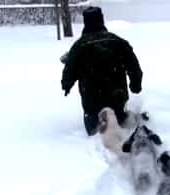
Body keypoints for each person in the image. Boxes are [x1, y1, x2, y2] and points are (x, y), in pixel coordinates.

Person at [61, 6, 143, 136]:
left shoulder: (79, 46)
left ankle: (98, 131)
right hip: (117, 98)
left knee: (95, 130)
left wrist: (66, 85)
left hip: (92, 102)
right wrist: (136, 84)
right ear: (102, 21)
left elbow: (70, 70)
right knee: (121, 121)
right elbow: (133, 66)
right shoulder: (118, 42)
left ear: (85, 22)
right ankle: (124, 130)